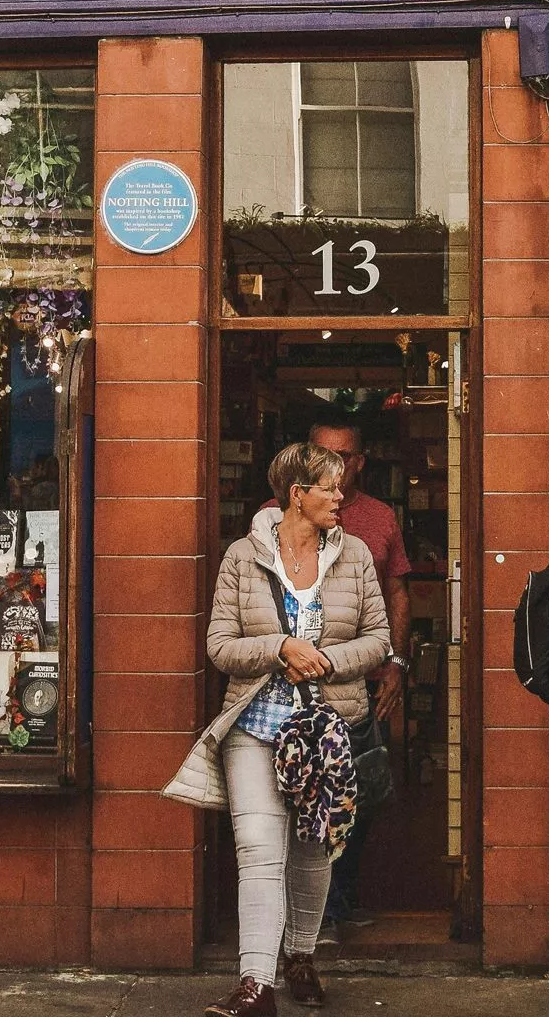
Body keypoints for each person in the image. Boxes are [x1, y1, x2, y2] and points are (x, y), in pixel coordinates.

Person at [180, 442, 391, 1017]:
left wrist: (325, 659)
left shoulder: (356, 557)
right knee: (257, 849)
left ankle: (299, 955)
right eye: (329, 486)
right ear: (297, 494)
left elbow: (379, 639)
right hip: (255, 727)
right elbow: (219, 646)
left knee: (313, 851)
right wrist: (280, 647)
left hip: (326, 730)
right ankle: (255, 984)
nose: (340, 496)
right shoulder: (242, 558)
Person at [271, 413, 413, 939]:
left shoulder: (378, 518)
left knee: (358, 792)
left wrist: (395, 662)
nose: (337, 467)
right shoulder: (269, 519)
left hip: (357, 684)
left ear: (361, 461)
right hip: (288, 689)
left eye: (346, 457)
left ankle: (341, 895)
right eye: (323, 455)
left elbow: (397, 593)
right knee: (294, 797)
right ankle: (300, 914)